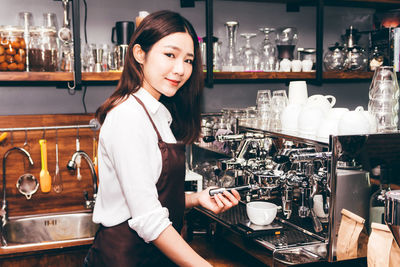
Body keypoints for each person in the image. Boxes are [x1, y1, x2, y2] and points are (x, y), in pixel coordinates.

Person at [84, 10, 240, 267]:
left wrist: (196, 198)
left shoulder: (159, 114)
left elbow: (150, 197)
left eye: (188, 60)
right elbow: (147, 217)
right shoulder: (127, 117)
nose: (180, 69)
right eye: (170, 55)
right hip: (123, 260)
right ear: (139, 54)